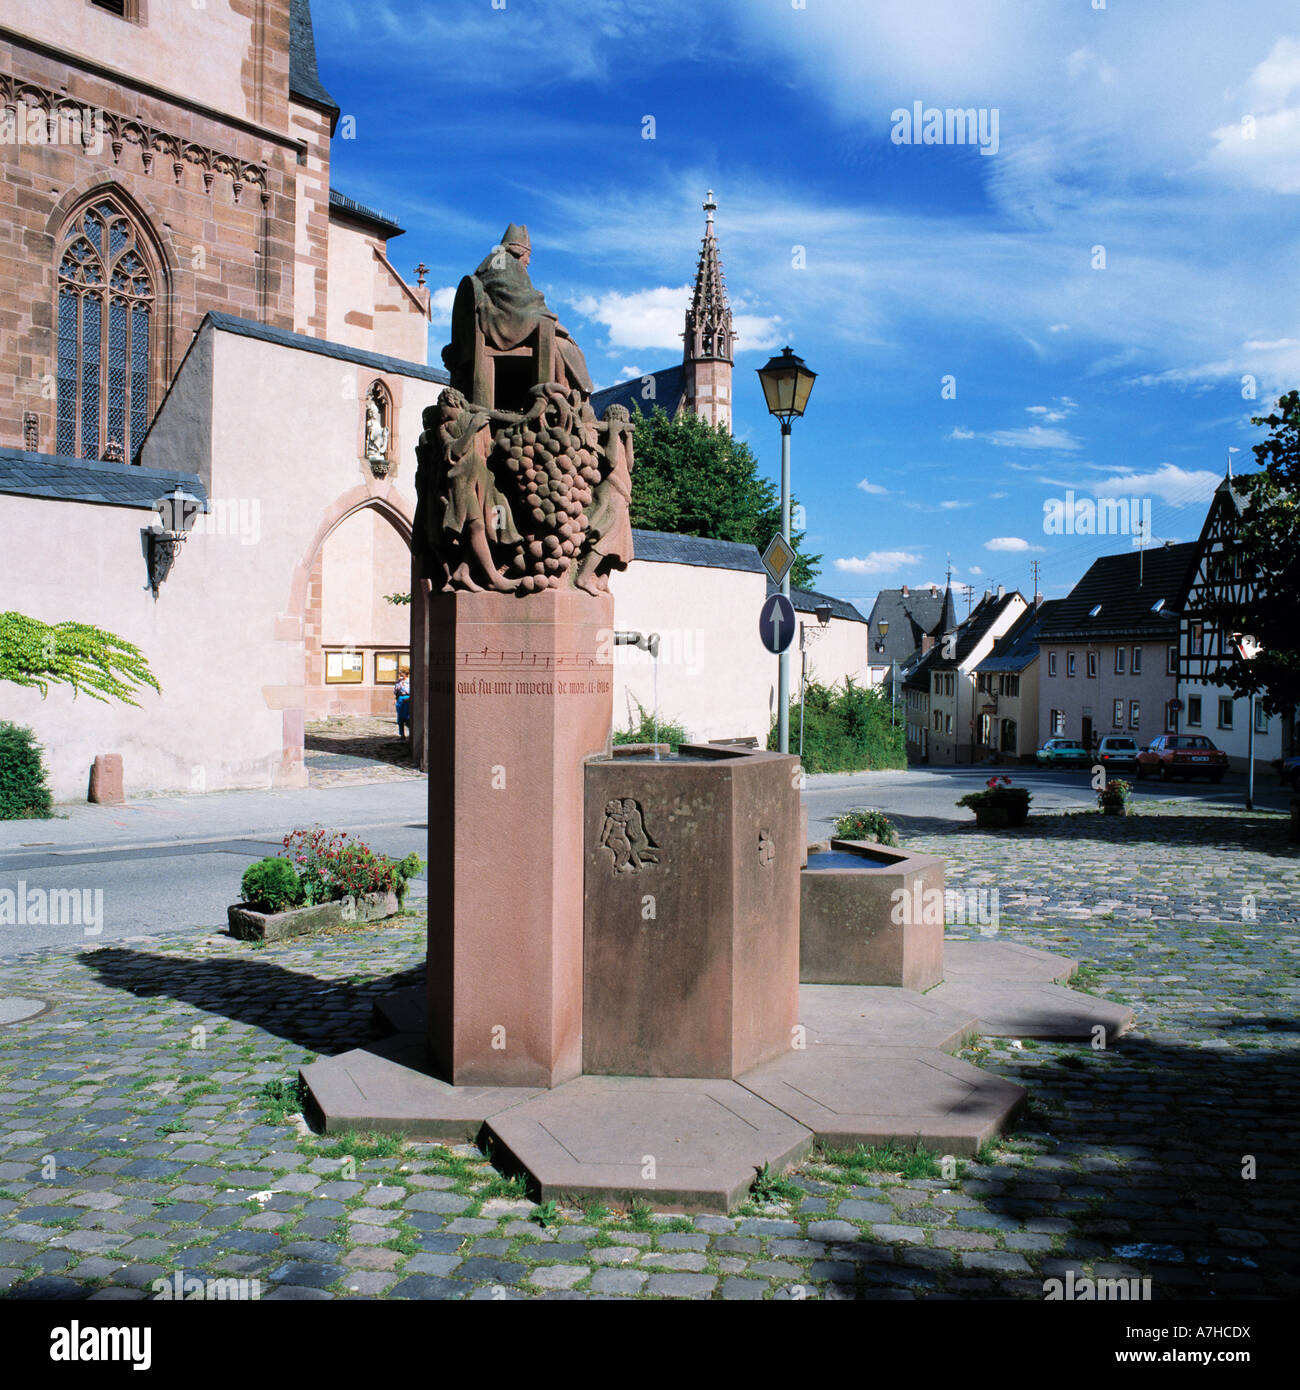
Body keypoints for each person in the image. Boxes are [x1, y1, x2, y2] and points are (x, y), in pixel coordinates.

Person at [394, 668, 411, 740]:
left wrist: (410, 698)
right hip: (400, 698)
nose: (399, 673)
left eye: (401, 672)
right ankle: (402, 735)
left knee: (407, 717)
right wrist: (395, 699)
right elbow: (396, 691)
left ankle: (411, 734)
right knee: (400, 718)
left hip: (407, 699)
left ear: (405, 673)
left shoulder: (409, 681)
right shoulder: (399, 681)